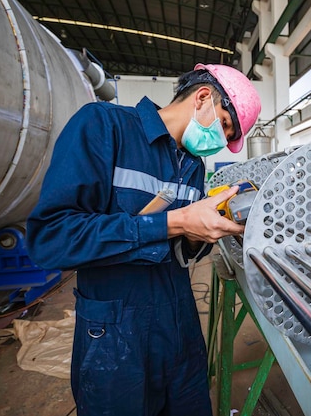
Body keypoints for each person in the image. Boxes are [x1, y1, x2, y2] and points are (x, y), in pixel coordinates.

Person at [26, 63, 262, 416]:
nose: (221, 143)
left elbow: (179, 248)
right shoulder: (104, 127)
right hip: (115, 338)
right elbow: (51, 238)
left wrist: (204, 233)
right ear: (202, 98)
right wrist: (172, 221)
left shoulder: (193, 165)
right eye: (225, 126)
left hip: (179, 330)